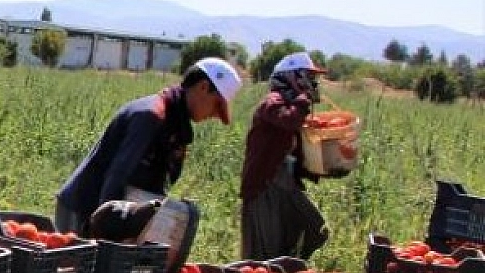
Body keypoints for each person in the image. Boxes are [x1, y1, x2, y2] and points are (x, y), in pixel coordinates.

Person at [54, 57, 242, 235]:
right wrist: (106, 230)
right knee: (77, 267)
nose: (215, 115)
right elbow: (118, 175)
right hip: (84, 207)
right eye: (217, 105)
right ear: (203, 87)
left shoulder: (176, 127)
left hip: (110, 209)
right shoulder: (152, 116)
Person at [240, 52, 332, 261]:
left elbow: (296, 151)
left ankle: (290, 268)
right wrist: (303, 100)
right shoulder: (272, 102)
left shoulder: (294, 107)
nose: (312, 83)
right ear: (292, 77)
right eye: (307, 77)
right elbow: (287, 121)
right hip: (264, 187)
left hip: (286, 185)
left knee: (316, 228)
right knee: (262, 256)